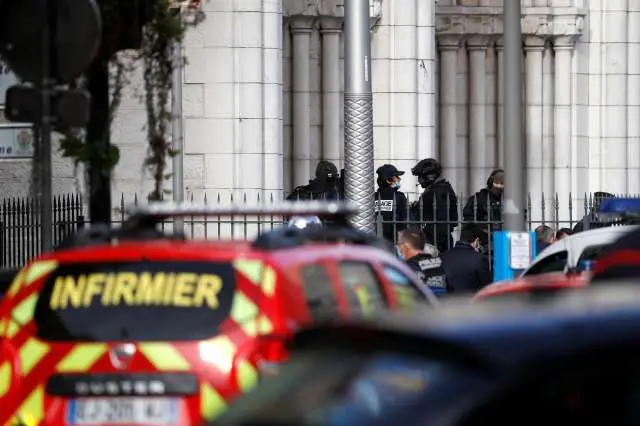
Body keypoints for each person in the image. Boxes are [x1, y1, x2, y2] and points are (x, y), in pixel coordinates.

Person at [409, 158, 458, 252]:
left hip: (432, 240)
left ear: (429, 176)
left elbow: (416, 216)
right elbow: (453, 219)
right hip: (445, 238)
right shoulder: (446, 188)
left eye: (420, 176)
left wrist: (413, 208)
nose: (419, 180)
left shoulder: (433, 193)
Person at [440, 223, 492, 295]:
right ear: (477, 240)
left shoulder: (443, 256)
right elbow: (487, 286)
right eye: (480, 243)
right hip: (471, 303)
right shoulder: (479, 259)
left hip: (447, 303)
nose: (480, 246)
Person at [396, 228, 449, 297]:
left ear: (406, 246)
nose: (398, 247)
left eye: (399, 244)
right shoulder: (441, 265)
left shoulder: (406, 268)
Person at [463, 169, 505, 251]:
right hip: (483, 243)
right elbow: (469, 223)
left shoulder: (509, 200)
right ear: (490, 182)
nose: (500, 185)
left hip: (503, 241)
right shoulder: (478, 198)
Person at [374, 164, 408, 243]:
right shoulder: (399, 197)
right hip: (394, 240)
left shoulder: (373, 197)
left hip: (374, 240)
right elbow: (406, 219)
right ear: (388, 180)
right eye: (396, 177)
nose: (399, 179)